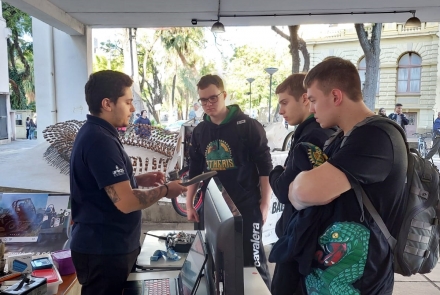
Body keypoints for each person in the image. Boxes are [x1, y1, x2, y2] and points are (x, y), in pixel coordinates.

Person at [287, 58, 407, 294]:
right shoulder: (342, 138)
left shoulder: (375, 136)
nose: (311, 109)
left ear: (335, 96)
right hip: (329, 278)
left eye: (313, 100)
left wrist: (296, 189)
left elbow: (303, 191)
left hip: (360, 283)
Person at [69, 70, 187, 295]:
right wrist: (164, 190)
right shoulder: (99, 140)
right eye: (128, 101)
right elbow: (125, 202)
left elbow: (105, 186)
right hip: (104, 252)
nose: (133, 109)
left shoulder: (100, 133)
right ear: (107, 103)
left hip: (111, 247)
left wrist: (138, 180)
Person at [186, 74, 273, 288]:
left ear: (224, 95)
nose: (208, 104)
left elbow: (265, 166)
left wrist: (264, 203)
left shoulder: (248, 126)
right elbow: (195, 169)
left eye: (213, 98)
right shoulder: (200, 131)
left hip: (246, 205)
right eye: (203, 100)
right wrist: (189, 203)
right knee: (218, 261)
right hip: (213, 207)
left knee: (253, 263)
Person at [269, 74, 334, 295]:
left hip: (302, 242)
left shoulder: (314, 135)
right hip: (302, 237)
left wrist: (276, 171)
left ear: (305, 99)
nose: (281, 111)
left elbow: (282, 190)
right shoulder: (308, 132)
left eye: (285, 102)